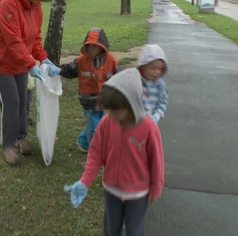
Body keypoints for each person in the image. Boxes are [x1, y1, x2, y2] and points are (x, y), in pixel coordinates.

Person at [64, 68, 164, 236]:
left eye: (115, 110)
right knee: (111, 229)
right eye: (108, 109)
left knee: (134, 230)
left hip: (138, 194)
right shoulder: (107, 123)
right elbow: (95, 153)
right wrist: (85, 181)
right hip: (111, 191)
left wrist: (156, 187)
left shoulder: (148, 128)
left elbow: (157, 161)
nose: (110, 114)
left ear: (131, 104)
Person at [0, 0, 60, 165]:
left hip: (21, 62)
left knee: (23, 103)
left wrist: (42, 58)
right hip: (2, 63)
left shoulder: (36, 7)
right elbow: (14, 41)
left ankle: (21, 138)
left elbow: (34, 38)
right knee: (11, 103)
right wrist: (30, 63)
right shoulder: (8, 4)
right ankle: (7, 145)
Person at [49, 28, 119, 152]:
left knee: (102, 124)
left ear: (102, 47)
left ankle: (83, 142)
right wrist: (59, 70)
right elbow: (71, 69)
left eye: (95, 47)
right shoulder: (81, 61)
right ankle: (94, 148)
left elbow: (120, 76)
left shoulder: (111, 61)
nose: (92, 50)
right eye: (90, 47)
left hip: (106, 101)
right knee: (94, 127)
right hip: (89, 102)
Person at [136, 44, 168, 124]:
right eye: (153, 68)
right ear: (142, 66)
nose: (157, 72)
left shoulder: (160, 85)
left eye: (161, 69)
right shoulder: (135, 82)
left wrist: (156, 117)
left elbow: (163, 103)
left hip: (152, 124)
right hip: (135, 123)